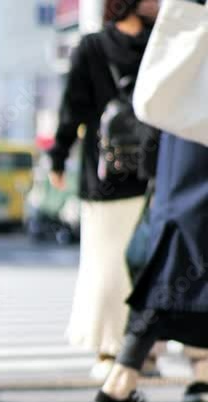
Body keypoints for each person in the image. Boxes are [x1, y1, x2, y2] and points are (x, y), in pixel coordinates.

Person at [49, 0, 161, 381]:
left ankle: (109, 349)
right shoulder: (159, 45)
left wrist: (58, 156)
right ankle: (143, 349)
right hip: (154, 173)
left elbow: (72, 109)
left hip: (104, 174)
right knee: (148, 263)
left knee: (104, 265)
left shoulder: (92, 47)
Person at [90, 131, 208, 402]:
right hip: (193, 151)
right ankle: (119, 385)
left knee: (172, 270)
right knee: (171, 273)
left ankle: (120, 385)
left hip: (181, 151)